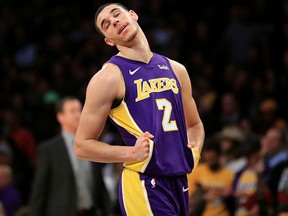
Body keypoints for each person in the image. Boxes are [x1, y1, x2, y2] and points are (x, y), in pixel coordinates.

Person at [74, 3, 205, 216]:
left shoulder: (176, 69)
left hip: (179, 181)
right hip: (144, 182)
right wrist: (131, 152)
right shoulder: (108, 77)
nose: (114, 21)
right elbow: (82, 145)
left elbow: (195, 124)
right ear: (109, 40)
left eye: (117, 15)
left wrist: (194, 152)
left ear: (132, 15)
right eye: (107, 24)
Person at [29, 96, 109, 216]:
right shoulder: (49, 149)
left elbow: (100, 185)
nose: (78, 115)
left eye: (80, 110)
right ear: (60, 117)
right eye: (72, 111)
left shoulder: (93, 144)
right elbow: (40, 189)